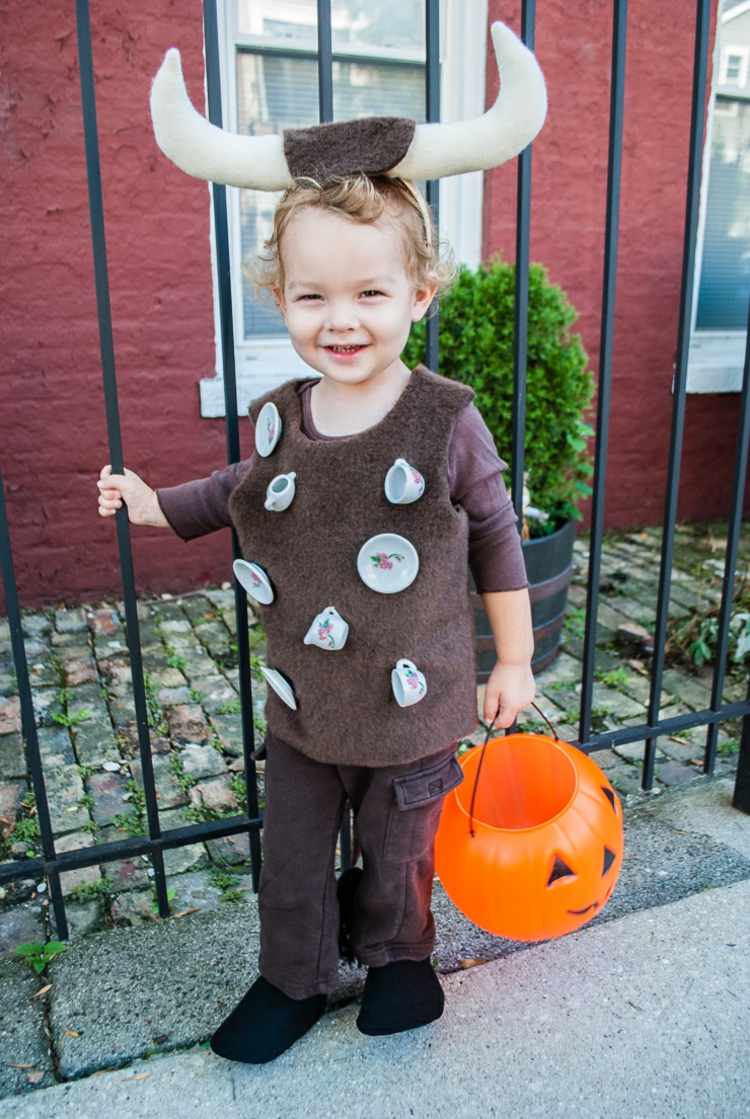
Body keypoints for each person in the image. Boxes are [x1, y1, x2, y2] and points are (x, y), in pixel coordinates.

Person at [96, 21, 546, 1065]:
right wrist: (155, 501)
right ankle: (294, 974)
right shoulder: (286, 414)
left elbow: (495, 535)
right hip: (304, 699)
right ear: (279, 298)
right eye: (312, 296)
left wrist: (514, 660)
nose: (339, 320)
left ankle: (396, 960)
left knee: (398, 848)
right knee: (295, 855)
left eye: (370, 293)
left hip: (416, 701)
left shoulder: (445, 420)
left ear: (420, 294)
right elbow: (239, 490)